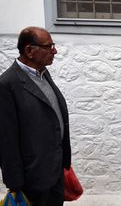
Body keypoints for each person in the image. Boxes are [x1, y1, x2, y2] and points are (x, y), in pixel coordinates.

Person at [0, 26, 71, 205]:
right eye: (49, 47)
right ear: (30, 51)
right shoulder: (7, 85)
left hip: (54, 172)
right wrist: (15, 184)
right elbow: (6, 139)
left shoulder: (42, 74)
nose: (54, 51)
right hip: (32, 178)